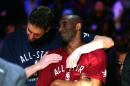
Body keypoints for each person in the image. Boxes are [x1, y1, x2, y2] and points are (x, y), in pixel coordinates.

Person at [0, 6, 113, 86]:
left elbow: (108, 42)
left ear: (47, 29)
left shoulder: (59, 36)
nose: (31, 36)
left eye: (37, 34)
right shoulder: (11, 41)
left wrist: (78, 51)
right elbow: (6, 79)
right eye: (29, 31)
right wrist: (38, 65)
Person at [36, 15, 108, 86]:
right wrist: (79, 84)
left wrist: (58, 83)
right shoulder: (52, 56)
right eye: (59, 26)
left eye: (64, 24)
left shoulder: (96, 54)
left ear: (78, 26)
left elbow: (93, 85)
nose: (60, 29)